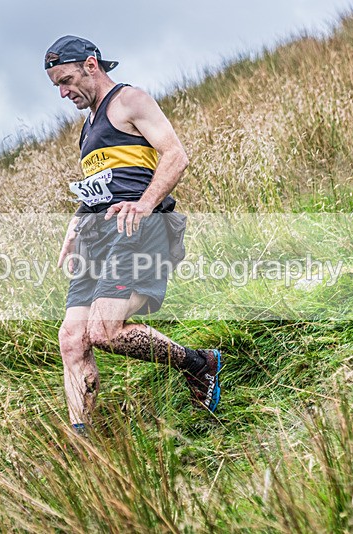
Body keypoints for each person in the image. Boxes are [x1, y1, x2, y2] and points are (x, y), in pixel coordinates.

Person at [44, 35, 222, 434]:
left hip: (135, 230)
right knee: (72, 338)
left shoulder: (130, 100)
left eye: (67, 80)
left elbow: (175, 154)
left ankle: (199, 364)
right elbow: (100, 189)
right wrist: (75, 225)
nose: (62, 92)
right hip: (97, 237)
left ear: (92, 65)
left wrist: (144, 204)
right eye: (57, 84)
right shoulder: (87, 130)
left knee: (103, 331)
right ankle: (83, 444)